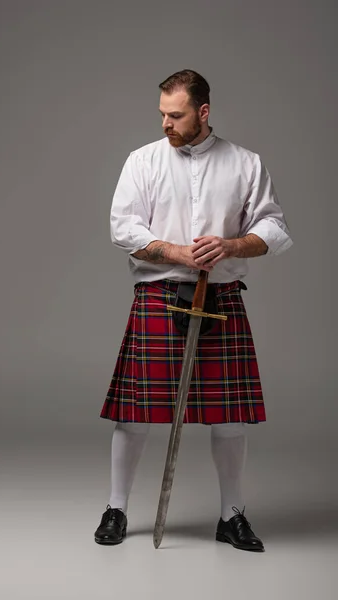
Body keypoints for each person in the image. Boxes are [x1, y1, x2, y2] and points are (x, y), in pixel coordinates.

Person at [94, 69, 293, 551]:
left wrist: (231, 246)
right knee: (135, 414)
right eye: (162, 113)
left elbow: (273, 228)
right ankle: (117, 508)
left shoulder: (246, 163)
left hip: (220, 298)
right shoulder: (142, 162)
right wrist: (176, 252)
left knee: (229, 418)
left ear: (203, 112)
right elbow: (124, 228)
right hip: (159, 296)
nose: (166, 123)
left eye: (176, 115)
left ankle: (232, 515)